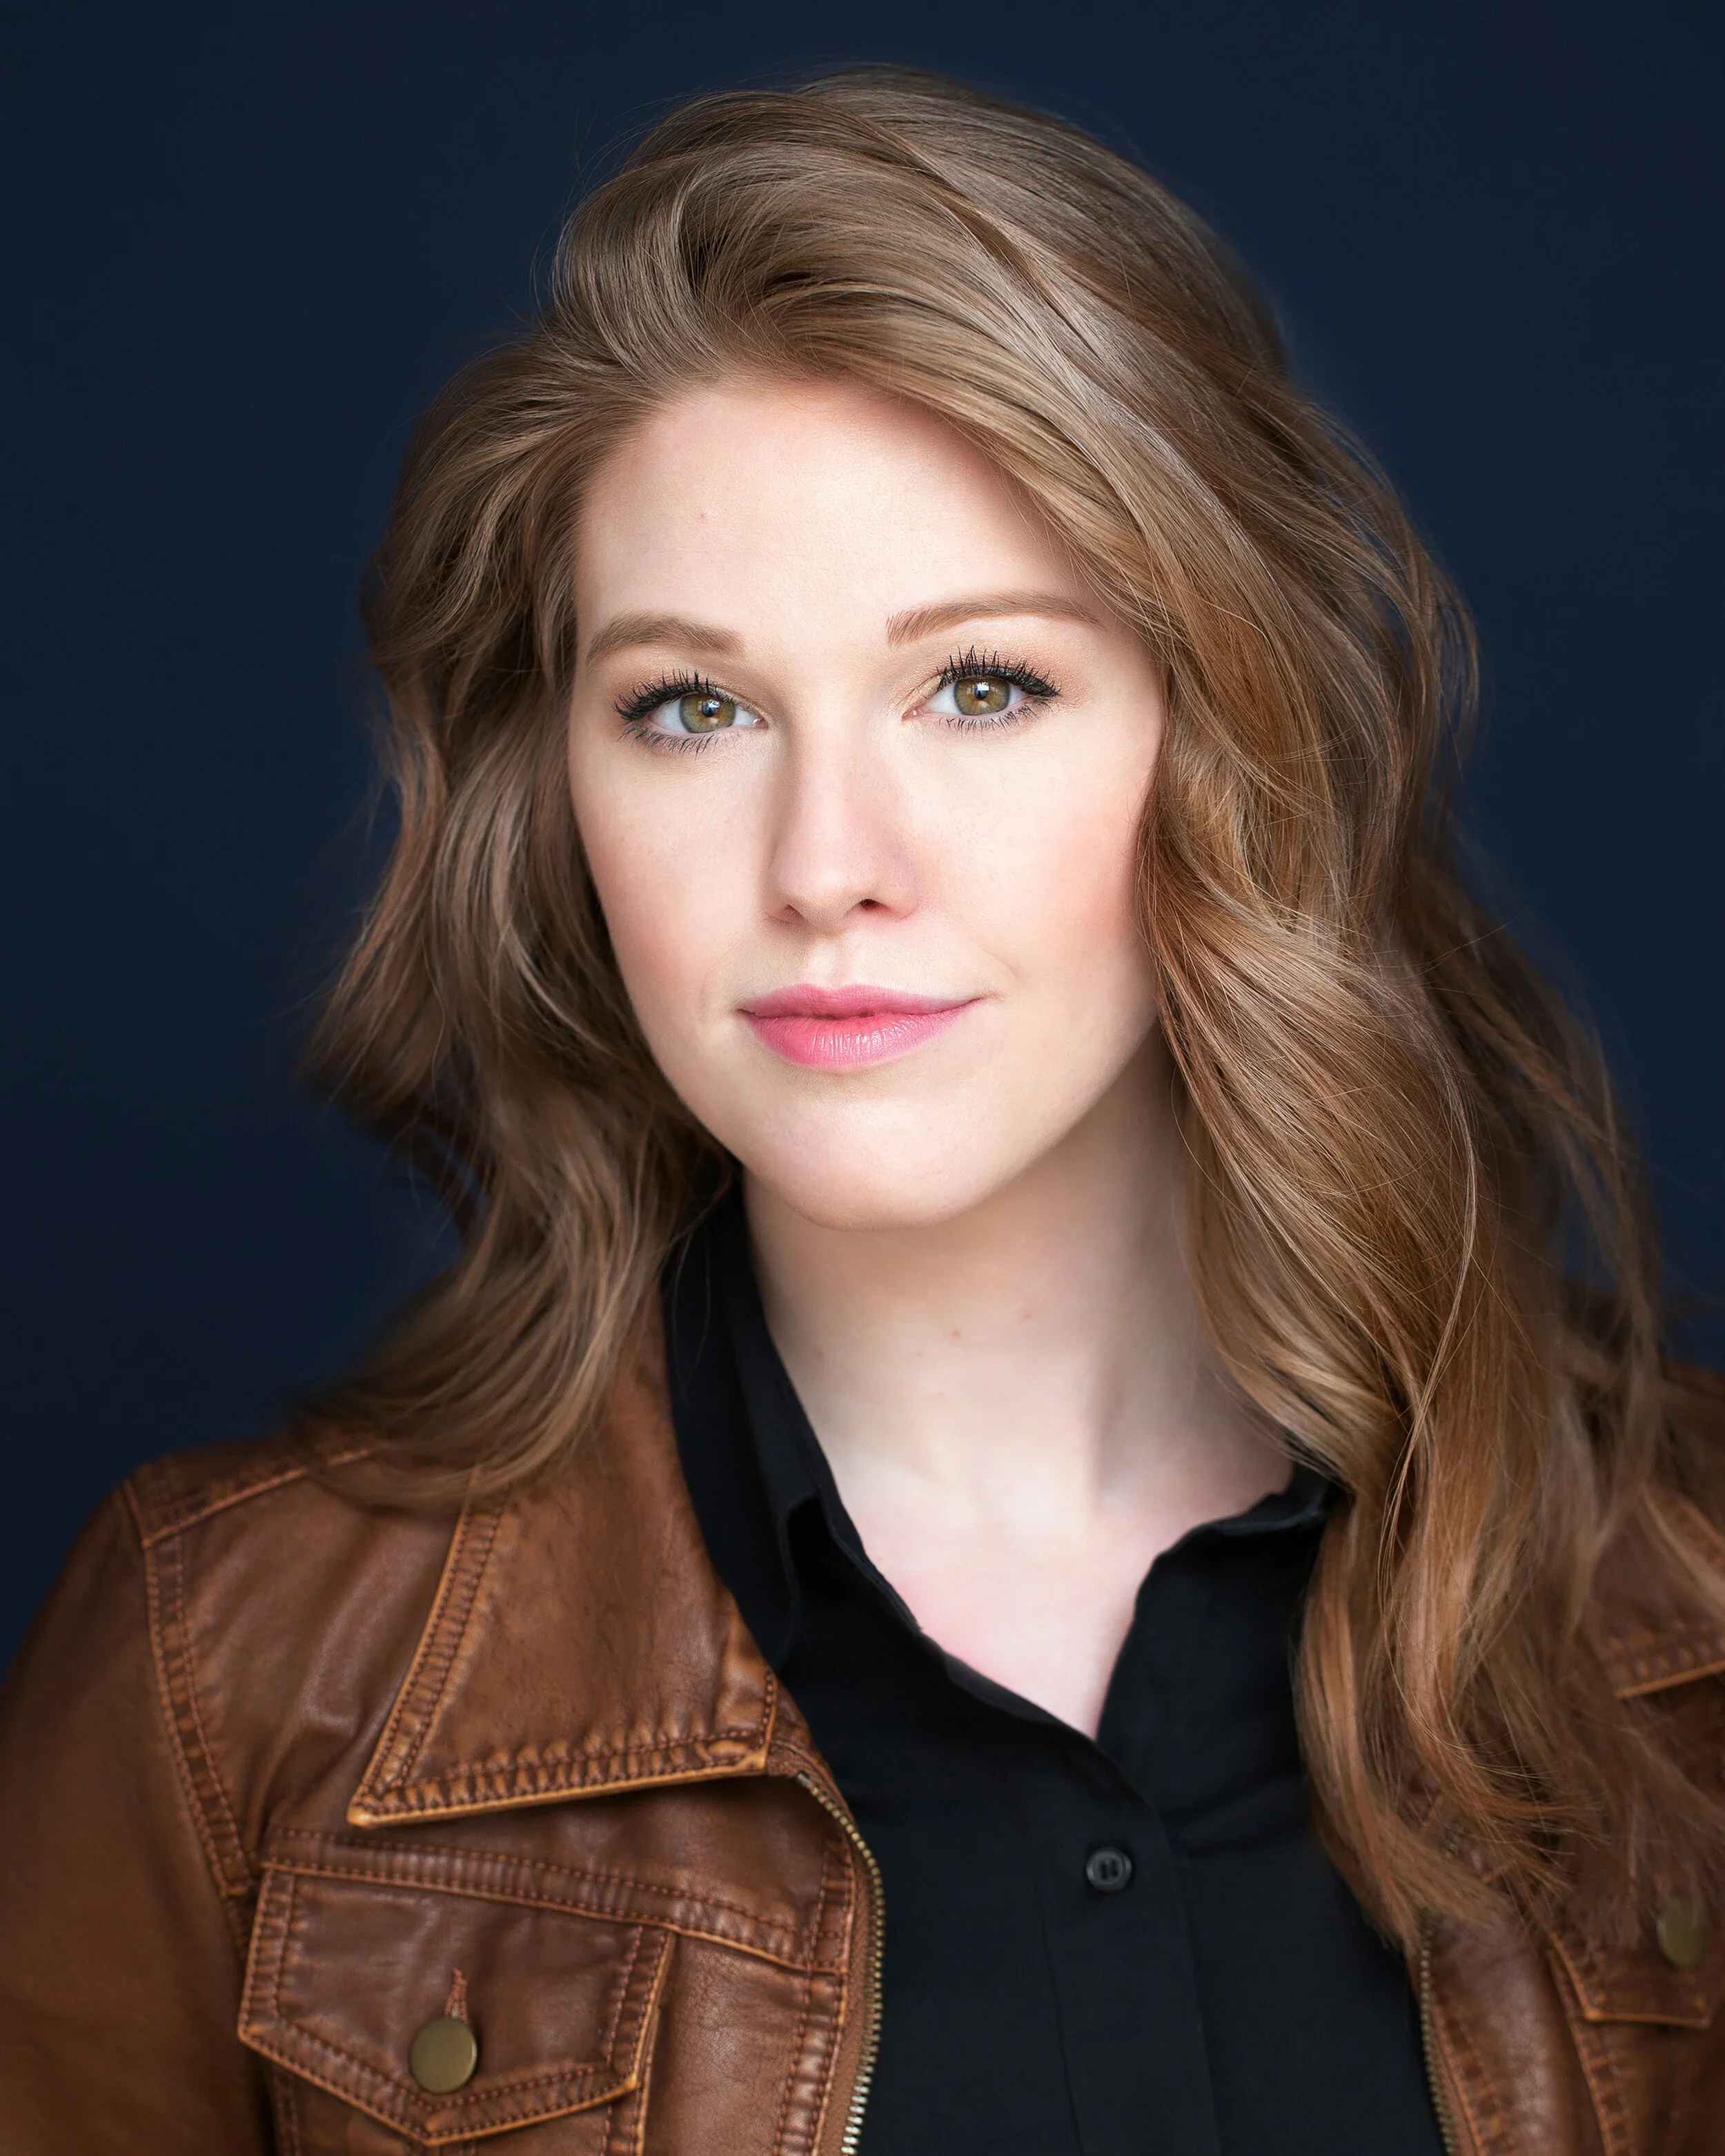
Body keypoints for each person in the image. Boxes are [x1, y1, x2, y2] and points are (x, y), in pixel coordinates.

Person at [2, 66, 1721, 2156]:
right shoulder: (223, 1670)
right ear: (563, 803)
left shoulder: (1680, 1600)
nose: (826, 858)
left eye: (980, 682)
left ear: (1229, 738)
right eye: (690, 707)